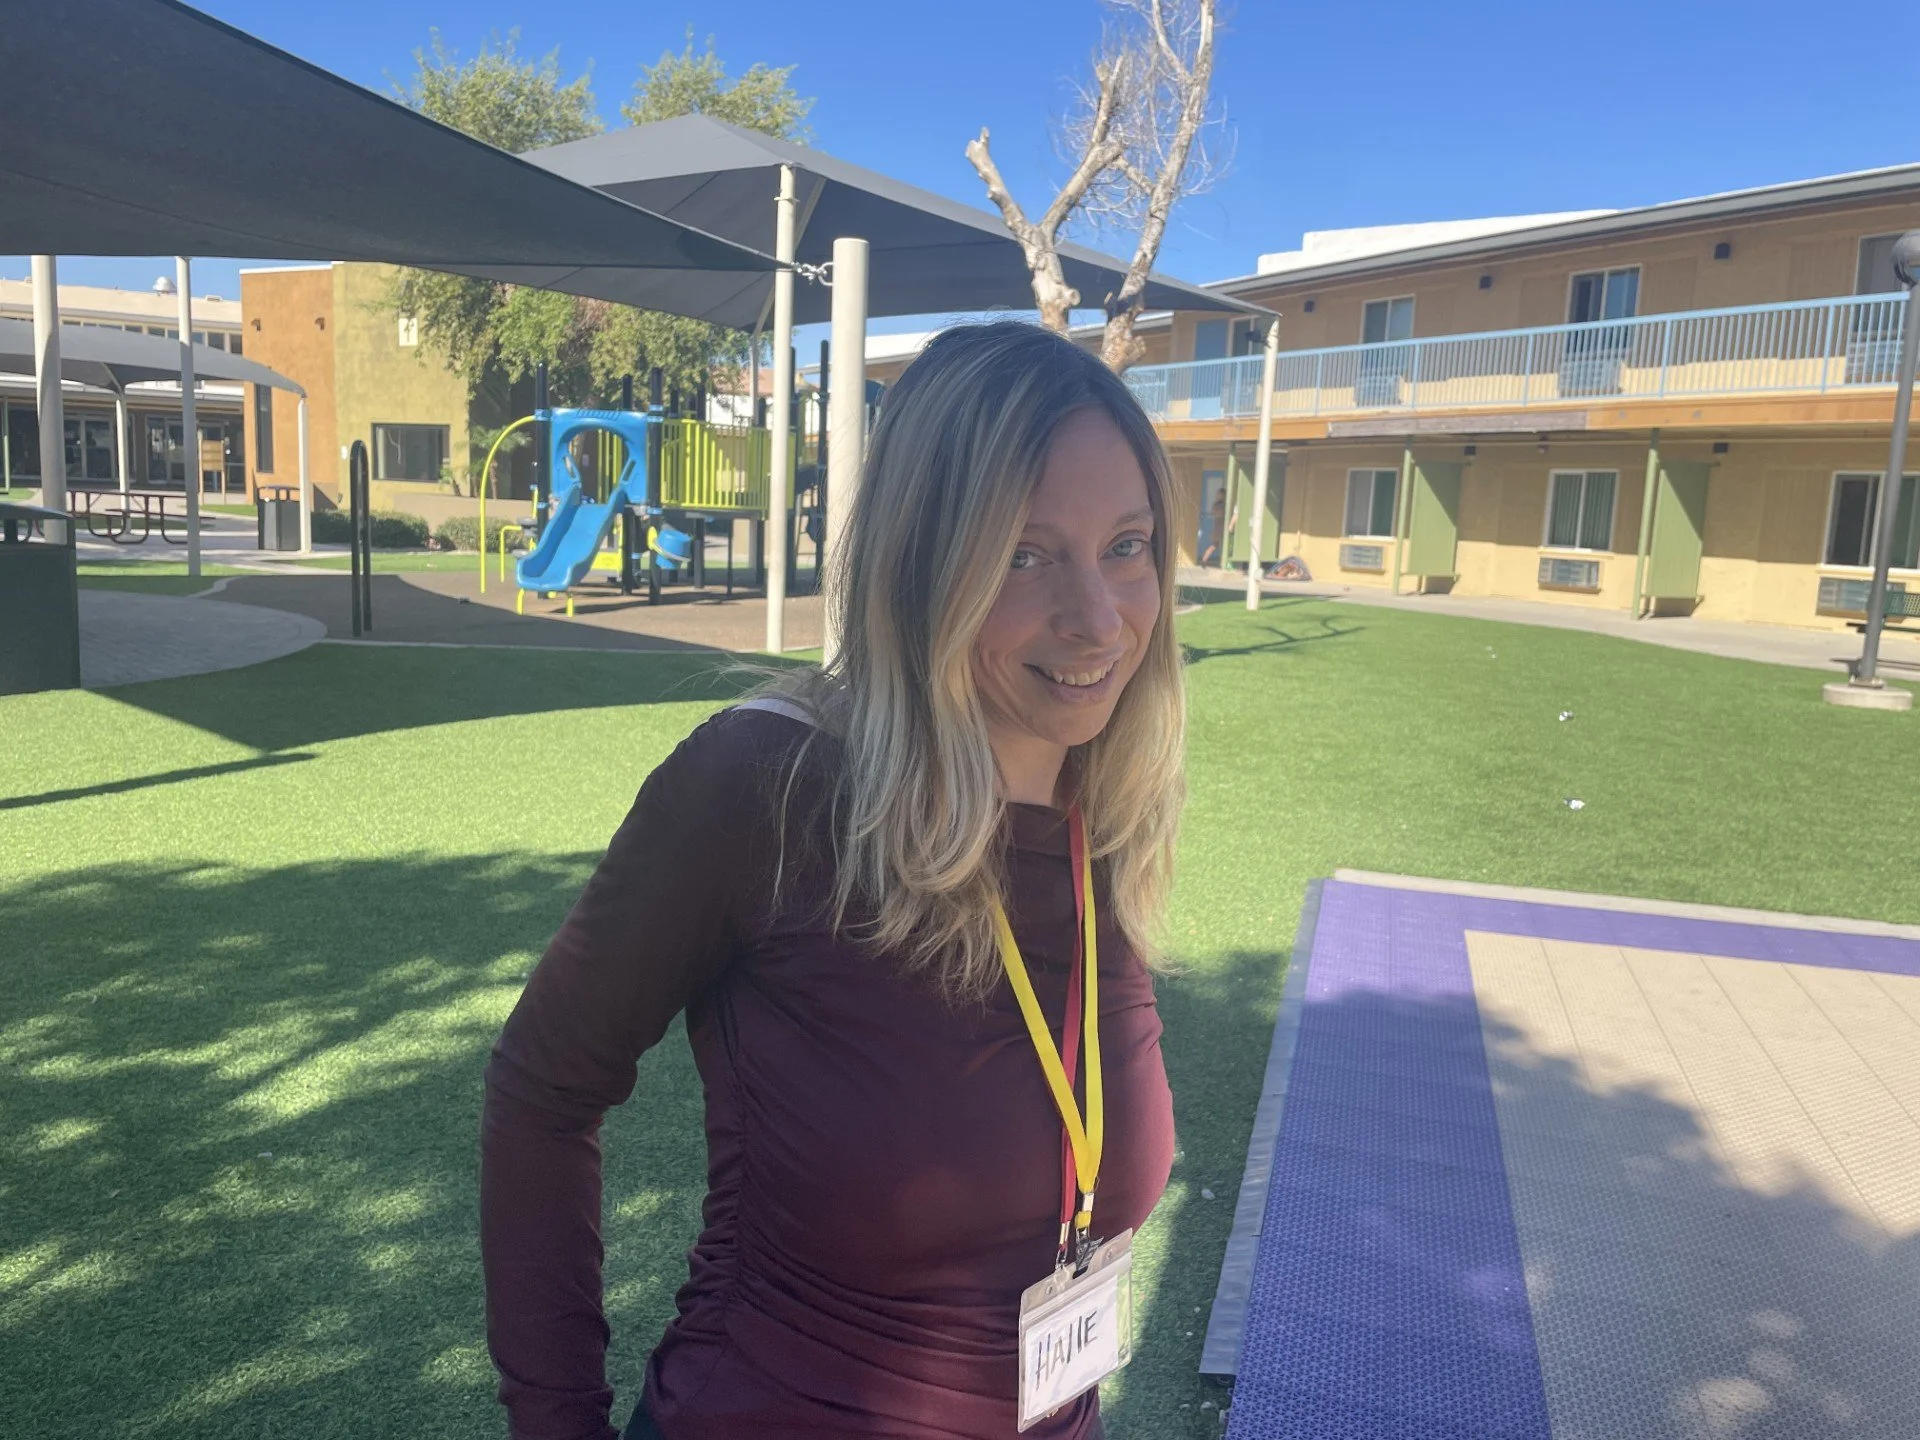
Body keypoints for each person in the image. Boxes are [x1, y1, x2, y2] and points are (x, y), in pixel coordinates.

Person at [481, 322, 1187, 1440]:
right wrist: (555, 1423)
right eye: (1024, 553)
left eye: (1128, 545)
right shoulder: (764, 787)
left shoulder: (1102, 811)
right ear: (924, 563)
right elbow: (543, 1087)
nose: (1099, 620)